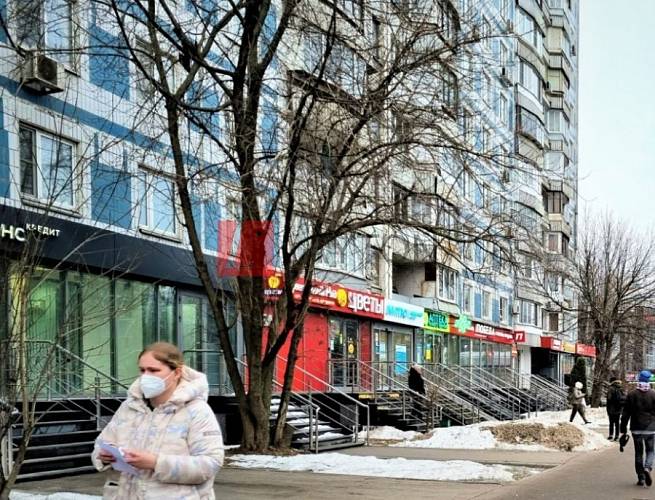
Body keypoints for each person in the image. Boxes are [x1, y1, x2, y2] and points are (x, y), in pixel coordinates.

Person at [91, 342, 224, 499]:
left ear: (176, 372)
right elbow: (101, 444)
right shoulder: (129, 407)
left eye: (153, 370)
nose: (146, 376)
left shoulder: (196, 411)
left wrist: (156, 463)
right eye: (142, 370)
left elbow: (210, 464)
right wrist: (104, 456)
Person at [620, 369, 655, 487]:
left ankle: (641, 478)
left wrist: (623, 429)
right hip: (650, 428)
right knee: (650, 450)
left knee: (638, 453)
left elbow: (625, 414)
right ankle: (647, 468)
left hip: (636, 428)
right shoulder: (653, 394)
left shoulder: (631, 394)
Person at [606, 376, 626, 441]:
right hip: (618, 409)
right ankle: (617, 436)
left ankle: (611, 435)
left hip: (611, 408)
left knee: (611, 422)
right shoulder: (620, 388)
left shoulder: (610, 388)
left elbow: (609, 398)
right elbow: (624, 397)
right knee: (617, 423)